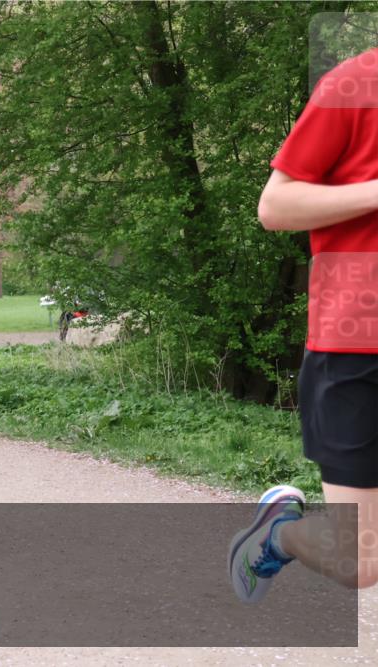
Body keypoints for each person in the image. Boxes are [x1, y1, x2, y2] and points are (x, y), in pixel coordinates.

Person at [229, 48, 378, 602]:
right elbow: (276, 205)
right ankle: (280, 534)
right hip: (357, 347)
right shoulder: (358, 82)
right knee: (359, 563)